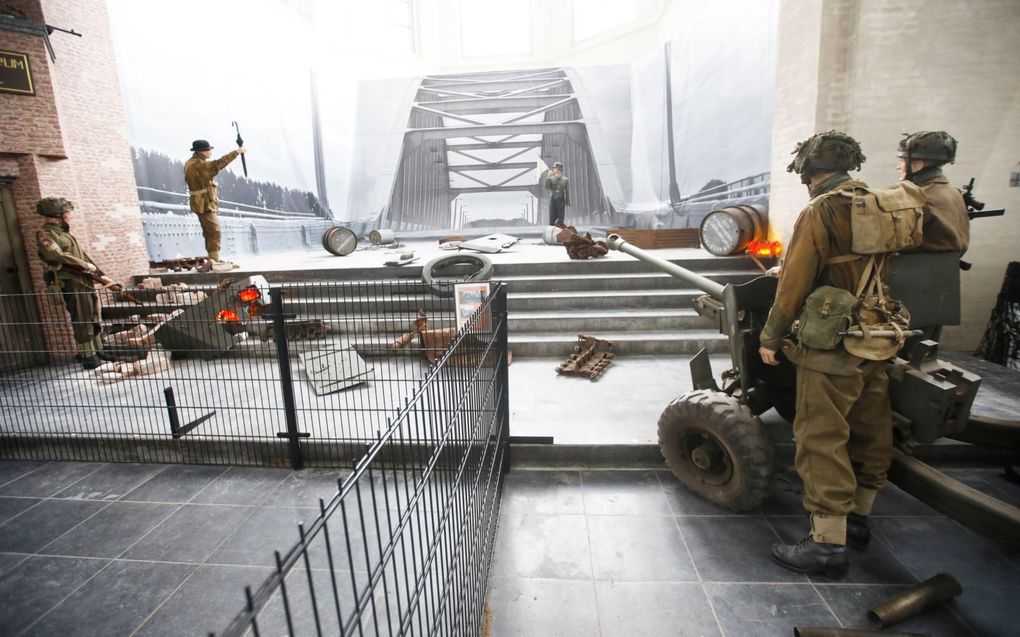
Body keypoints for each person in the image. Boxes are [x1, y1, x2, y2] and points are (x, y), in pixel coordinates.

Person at [759, 131, 892, 577]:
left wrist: (771, 337)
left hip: (831, 342)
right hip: (876, 333)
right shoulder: (876, 202)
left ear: (810, 171)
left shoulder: (821, 209)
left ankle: (825, 545)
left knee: (820, 438)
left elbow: (793, 284)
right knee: (870, 428)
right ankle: (857, 521)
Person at [35, 197, 113, 370]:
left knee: (91, 313)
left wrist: (101, 275)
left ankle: (98, 350)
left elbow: (83, 256)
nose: (69, 215)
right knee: (81, 316)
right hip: (69, 281)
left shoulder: (64, 233)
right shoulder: (45, 235)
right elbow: (56, 255)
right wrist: (85, 265)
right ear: (57, 215)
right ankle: (88, 355)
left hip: (83, 279)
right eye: (66, 212)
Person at [897, 130, 969, 254]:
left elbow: (894, 239)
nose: (898, 167)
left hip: (920, 268)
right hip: (943, 268)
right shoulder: (951, 191)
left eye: (903, 161)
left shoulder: (922, 197)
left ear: (917, 165)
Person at [184, 139, 245, 265]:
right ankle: (214, 260)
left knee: (209, 231)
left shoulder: (193, 163)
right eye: (208, 150)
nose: (211, 152)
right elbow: (218, 164)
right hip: (203, 204)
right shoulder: (198, 165)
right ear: (202, 151)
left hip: (202, 203)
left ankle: (212, 259)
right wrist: (237, 152)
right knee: (214, 230)